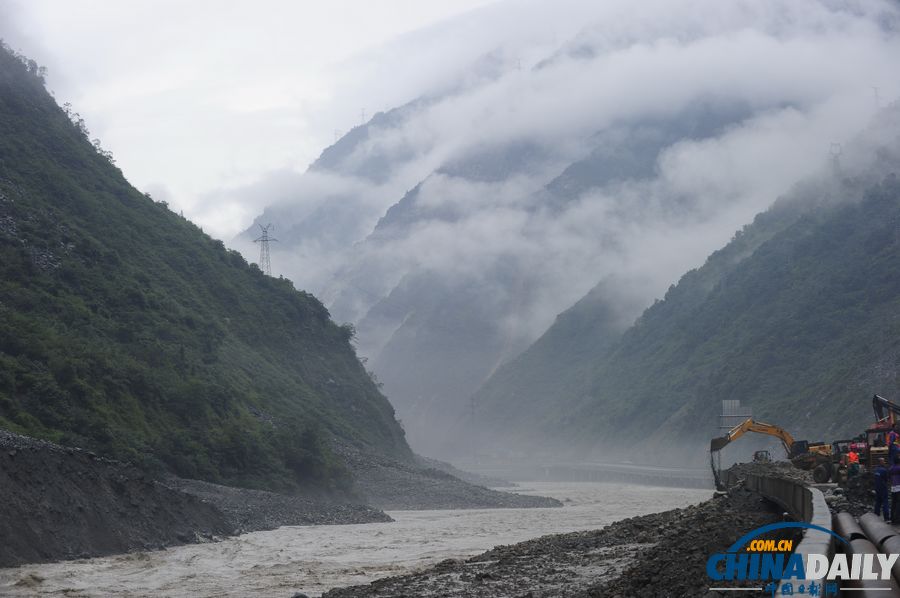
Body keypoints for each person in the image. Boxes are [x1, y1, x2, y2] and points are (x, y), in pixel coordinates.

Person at [890, 455, 900, 525]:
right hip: (899, 488)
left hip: (893, 488)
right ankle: (897, 519)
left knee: (893, 503)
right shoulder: (899, 468)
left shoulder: (891, 468)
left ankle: (892, 519)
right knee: (898, 504)